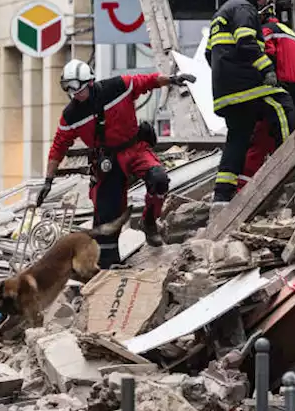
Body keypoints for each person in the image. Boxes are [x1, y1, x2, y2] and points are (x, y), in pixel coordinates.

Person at [36, 60, 195, 265]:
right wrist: (48, 180)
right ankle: (109, 264)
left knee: (158, 179)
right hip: (107, 160)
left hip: (134, 148)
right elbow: (58, 146)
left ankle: (149, 221)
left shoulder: (118, 87)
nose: (73, 94)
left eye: (77, 89)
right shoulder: (71, 115)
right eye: (68, 89)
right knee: (107, 216)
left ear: (90, 82)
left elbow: (147, 81)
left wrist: (172, 79)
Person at [207, 0, 295, 203]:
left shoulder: (223, 11)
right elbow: (247, 42)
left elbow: (209, 54)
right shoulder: (244, 9)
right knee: (283, 103)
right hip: (245, 83)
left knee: (238, 138)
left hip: (225, 91)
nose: (266, 2)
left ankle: (222, 196)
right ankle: (293, 167)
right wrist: (266, 69)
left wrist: (225, 76)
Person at [240, 1, 295, 190]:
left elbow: (266, 56)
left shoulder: (266, 31)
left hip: (283, 90)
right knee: (292, 138)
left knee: (260, 139)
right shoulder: (291, 33)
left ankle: (242, 186)